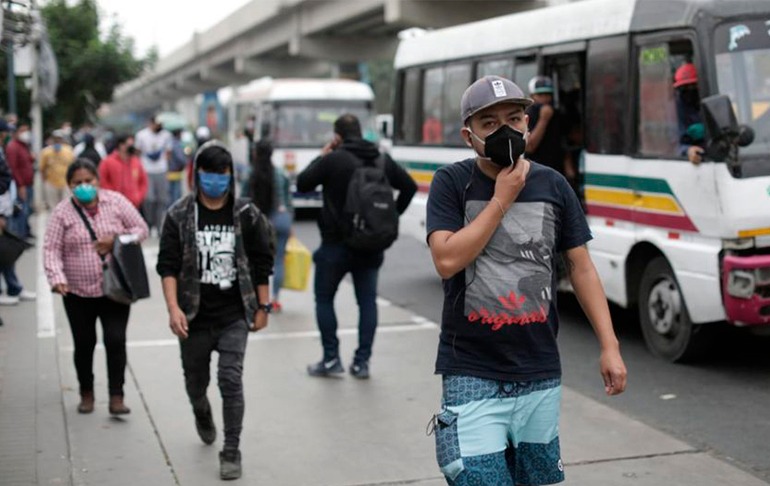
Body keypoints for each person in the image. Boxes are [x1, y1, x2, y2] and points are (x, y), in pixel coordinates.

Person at [425, 75, 627, 485]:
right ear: (469, 136)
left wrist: (610, 345)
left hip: (539, 371)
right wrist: (502, 198)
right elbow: (446, 260)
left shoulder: (553, 184)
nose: (506, 130)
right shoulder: (450, 183)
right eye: (490, 123)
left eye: (514, 118)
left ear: (528, 125)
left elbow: (581, 267)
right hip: (471, 372)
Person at [156, 141, 274, 480]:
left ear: (231, 176)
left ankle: (231, 450)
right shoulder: (179, 214)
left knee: (230, 378)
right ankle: (201, 411)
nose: (216, 180)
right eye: (210, 174)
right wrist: (173, 307)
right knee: (196, 384)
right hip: (193, 315)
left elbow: (263, 260)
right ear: (198, 175)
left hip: (234, 314)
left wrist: (263, 305)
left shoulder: (247, 213)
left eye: (223, 174)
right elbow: (168, 265)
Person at [297, 114, 417, 379]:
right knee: (367, 303)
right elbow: (408, 186)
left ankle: (331, 359)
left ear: (337, 136)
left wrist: (323, 155)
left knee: (324, 299)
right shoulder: (381, 158)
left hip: (335, 246)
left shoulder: (334, 159)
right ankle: (362, 363)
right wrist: (392, 217)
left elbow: (302, 183)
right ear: (360, 132)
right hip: (370, 244)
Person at [43, 159, 149, 415]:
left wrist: (116, 240)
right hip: (77, 292)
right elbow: (51, 249)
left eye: (88, 181)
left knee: (115, 340)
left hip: (115, 289)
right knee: (84, 343)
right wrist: (56, 277)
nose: (84, 187)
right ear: (69, 185)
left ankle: (116, 396)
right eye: (77, 183)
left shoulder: (116, 202)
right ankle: (86, 393)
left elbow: (141, 228)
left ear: (98, 181)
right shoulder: (62, 213)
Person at [245, 139, 293, 312]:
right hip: (280, 220)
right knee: (279, 260)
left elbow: (243, 200)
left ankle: (259, 299)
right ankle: (275, 299)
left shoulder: (251, 174)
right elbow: (288, 201)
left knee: (254, 261)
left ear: (255, 153)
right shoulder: (281, 174)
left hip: (258, 223)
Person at [0, 120, 35, 306]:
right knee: (5, 249)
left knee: (6, 250)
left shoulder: (9, 148)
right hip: (3, 208)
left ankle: (14, 287)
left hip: (7, 206)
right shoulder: (12, 148)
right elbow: (9, 174)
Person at [525, 75, 576, 183]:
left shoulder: (556, 113)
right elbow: (529, 147)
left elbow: (563, 141)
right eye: (540, 95)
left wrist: (569, 167)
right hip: (537, 171)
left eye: (548, 94)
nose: (545, 98)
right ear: (532, 96)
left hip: (557, 169)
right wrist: (543, 120)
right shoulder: (528, 114)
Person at [135, 115, 172, 235]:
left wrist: (164, 164)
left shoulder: (166, 135)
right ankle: (149, 223)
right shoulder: (141, 135)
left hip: (161, 170)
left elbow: (168, 152)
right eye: (157, 124)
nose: (159, 126)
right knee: (149, 199)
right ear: (151, 123)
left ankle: (159, 225)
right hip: (147, 170)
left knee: (162, 199)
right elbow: (138, 152)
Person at [98, 134, 148, 210]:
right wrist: (112, 197)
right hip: (114, 206)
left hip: (134, 205)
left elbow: (143, 181)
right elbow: (102, 181)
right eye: (129, 145)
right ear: (121, 145)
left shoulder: (136, 161)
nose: (132, 148)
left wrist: (138, 197)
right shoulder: (107, 162)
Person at [5, 123, 35, 239]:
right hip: (21, 185)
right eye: (23, 130)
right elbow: (13, 168)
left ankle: (26, 232)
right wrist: (20, 185)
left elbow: (28, 161)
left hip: (28, 183)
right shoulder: (13, 147)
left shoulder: (24, 146)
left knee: (27, 210)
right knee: (22, 210)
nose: (26, 133)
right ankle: (20, 235)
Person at [673, 62, 705, 165]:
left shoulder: (708, 99)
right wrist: (688, 150)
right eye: (684, 88)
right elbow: (673, 145)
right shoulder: (677, 108)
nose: (689, 91)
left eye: (693, 86)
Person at [39, 129, 75, 210]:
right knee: (53, 207)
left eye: (59, 139)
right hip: (51, 182)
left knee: (66, 206)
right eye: (55, 139)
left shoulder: (69, 151)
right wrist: (44, 182)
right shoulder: (46, 152)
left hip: (65, 182)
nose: (57, 141)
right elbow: (42, 168)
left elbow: (73, 166)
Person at [167, 129, 188, 206]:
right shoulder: (176, 144)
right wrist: (185, 161)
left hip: (168, 172)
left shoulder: (168, 143)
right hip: (176, 172)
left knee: (169, 195)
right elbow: (180, 158)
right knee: (176, 196)